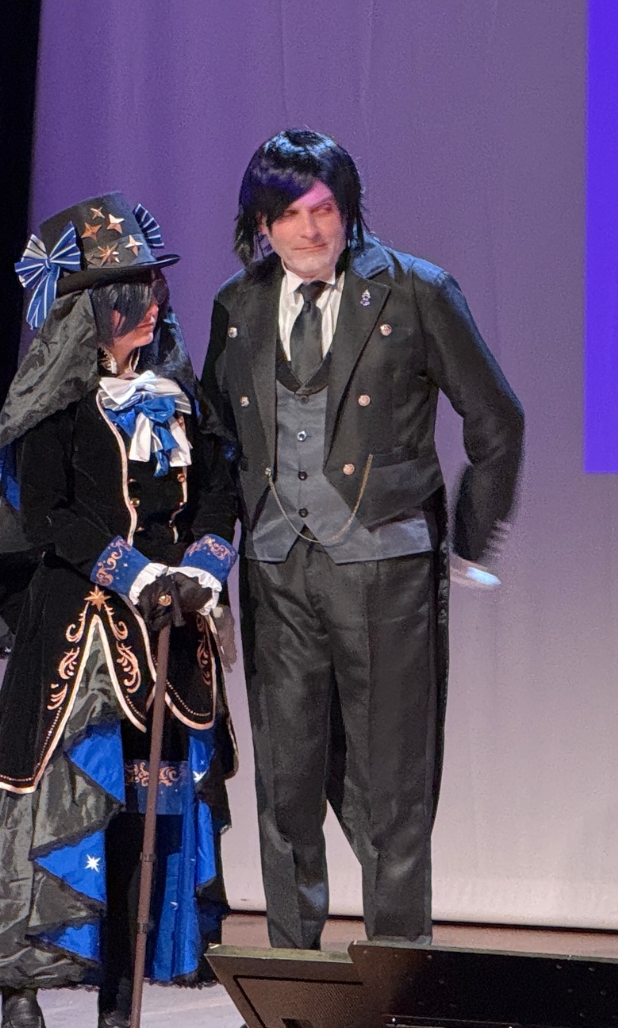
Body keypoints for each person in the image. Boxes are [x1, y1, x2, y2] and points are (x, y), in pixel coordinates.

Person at [199, 129, 523, 948]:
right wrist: (207, 556)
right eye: (293, 214)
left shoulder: (414, 291)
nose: (313, 230)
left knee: (391, 789)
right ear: (261, 223)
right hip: (276, 569)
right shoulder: (237, 307)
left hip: (384, 567)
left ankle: (395, 972)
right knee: (287, 784)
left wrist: (468, 541)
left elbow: (496, 418)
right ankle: (292, 972)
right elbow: (217, 445)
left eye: (327, 210)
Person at [0, 193, 239, 1028]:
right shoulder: (57, 410)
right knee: (65, 804)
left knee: (147, 817)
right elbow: (51, 511)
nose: (152, 307)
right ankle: (25, 988)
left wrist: (200, 566)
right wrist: (133, 574)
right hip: (81, 634)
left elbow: (221, 492)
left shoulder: (182, 400)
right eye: (132, 295)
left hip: (172, 640)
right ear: (93, 311)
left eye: (154, 290)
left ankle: (121, 1000)